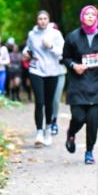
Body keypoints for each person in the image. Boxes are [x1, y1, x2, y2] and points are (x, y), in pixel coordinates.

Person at [62, 5, 98, 165]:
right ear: (82, 17)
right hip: (78, 85)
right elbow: (65, 58)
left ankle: (89, 151)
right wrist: (74, 66)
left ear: (96, 18)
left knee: (93, 121)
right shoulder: (73, 37)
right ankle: (71, 133)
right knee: (79, 117)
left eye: (93, 14)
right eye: (87, 14)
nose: (91, 17)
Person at [23, 10, 64, 147]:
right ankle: (39, 132)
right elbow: (28, 48)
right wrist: (26, 54)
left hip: (52, 71)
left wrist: (51, 46)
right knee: (39, 102)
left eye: (45, 18)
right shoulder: (32, 34)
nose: (42, 21)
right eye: (40, 18)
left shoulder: (55, 34)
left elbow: (63, 52)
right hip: (36, 70)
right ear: (37, 20)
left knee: (49, 102)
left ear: (49, 20)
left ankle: (48, 130)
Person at [48, 23, 67, 136]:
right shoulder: (41, 41)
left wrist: (52, 48)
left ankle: (54, 121)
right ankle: (47, 122)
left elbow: (64, 54)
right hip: (46, 74)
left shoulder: (60, 41)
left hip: (59, 73)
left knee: (55, 99)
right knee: (46, 100)